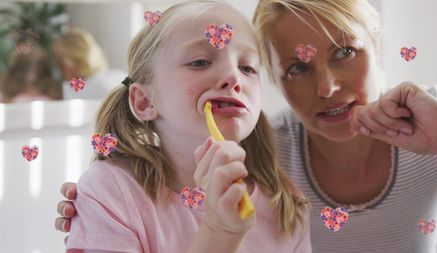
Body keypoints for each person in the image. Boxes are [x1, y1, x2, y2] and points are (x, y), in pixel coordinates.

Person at [57, 0, 437, 252]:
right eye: (297, 67)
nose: (328, 86)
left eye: (345, 52)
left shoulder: (282, 204)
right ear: (277, 80)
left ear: (380, 47)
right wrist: (100, 206)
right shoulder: (272, 160)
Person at [60, 1, 310, 252]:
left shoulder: (286, 206)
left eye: (247, 67)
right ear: (145, 101)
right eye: (200, 62)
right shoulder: (110, 191)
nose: (234, 78)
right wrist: (220, 231)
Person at [51, 28, 127, 100]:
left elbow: (70, 87)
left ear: (69, 64)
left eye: (60, 64)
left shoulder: (78, 87)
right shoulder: (119, 75)